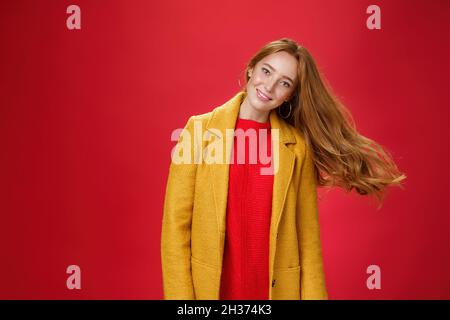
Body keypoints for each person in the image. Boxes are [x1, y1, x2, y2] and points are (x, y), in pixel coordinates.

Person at [160, 38, 406, 300]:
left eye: (285, 83)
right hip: (209, 292)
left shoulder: (296, 147)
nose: (269, 86)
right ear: (251, 69)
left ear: (291, 95)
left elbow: (307, 239)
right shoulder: (198, 131)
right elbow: (175, 228)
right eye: (266, 71)